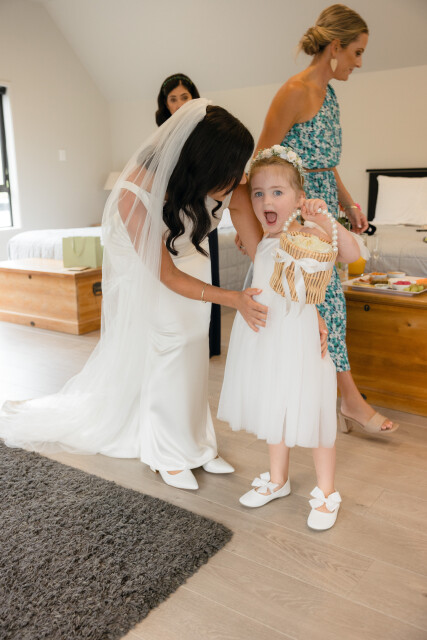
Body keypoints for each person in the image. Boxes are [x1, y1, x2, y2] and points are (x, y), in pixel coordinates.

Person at [0, 99, 269, 491]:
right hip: (148, 265)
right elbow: (166, 274)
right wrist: (234, 299)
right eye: (232, 168)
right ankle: (165, 452)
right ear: (203, 163)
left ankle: (197, 443)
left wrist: (278, 276)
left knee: (194, 342)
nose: (240, 176)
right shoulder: (135, 194)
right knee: (171, 341)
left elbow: (258, 246)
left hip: (190, 256)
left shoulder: (226, 183)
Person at [235, 4, 398, 434]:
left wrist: (349, 204)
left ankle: (334, 401)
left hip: (324, 209)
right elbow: (261, 162)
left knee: (330, 308)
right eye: (357, 52)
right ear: (335, 47)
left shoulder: (331, 94)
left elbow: (327, 164)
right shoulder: (294, 91)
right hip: (297, 214)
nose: (359, 62)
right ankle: (346, 402)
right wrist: (260, 224)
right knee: (319, 306)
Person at [219, 146, 360, 530]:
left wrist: (324, 217)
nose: (267, 201)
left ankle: (327, 491)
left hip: (300, 339)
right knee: (274, 404)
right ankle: (278, 479)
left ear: (298, 199)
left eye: (278, 192)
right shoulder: (260, 239)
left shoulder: (307, 232)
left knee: (313, 408)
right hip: (265, 336)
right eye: (259, 193)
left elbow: (350, 253)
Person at [156, 73, 221, 357]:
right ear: (166, 105)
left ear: (194, 97)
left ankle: (209, 344)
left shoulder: (208, 133)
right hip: (175, 218)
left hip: (205, 215)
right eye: (173, 99)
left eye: (185, 97)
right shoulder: (162, 139)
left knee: (207, 274)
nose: (181, 103)